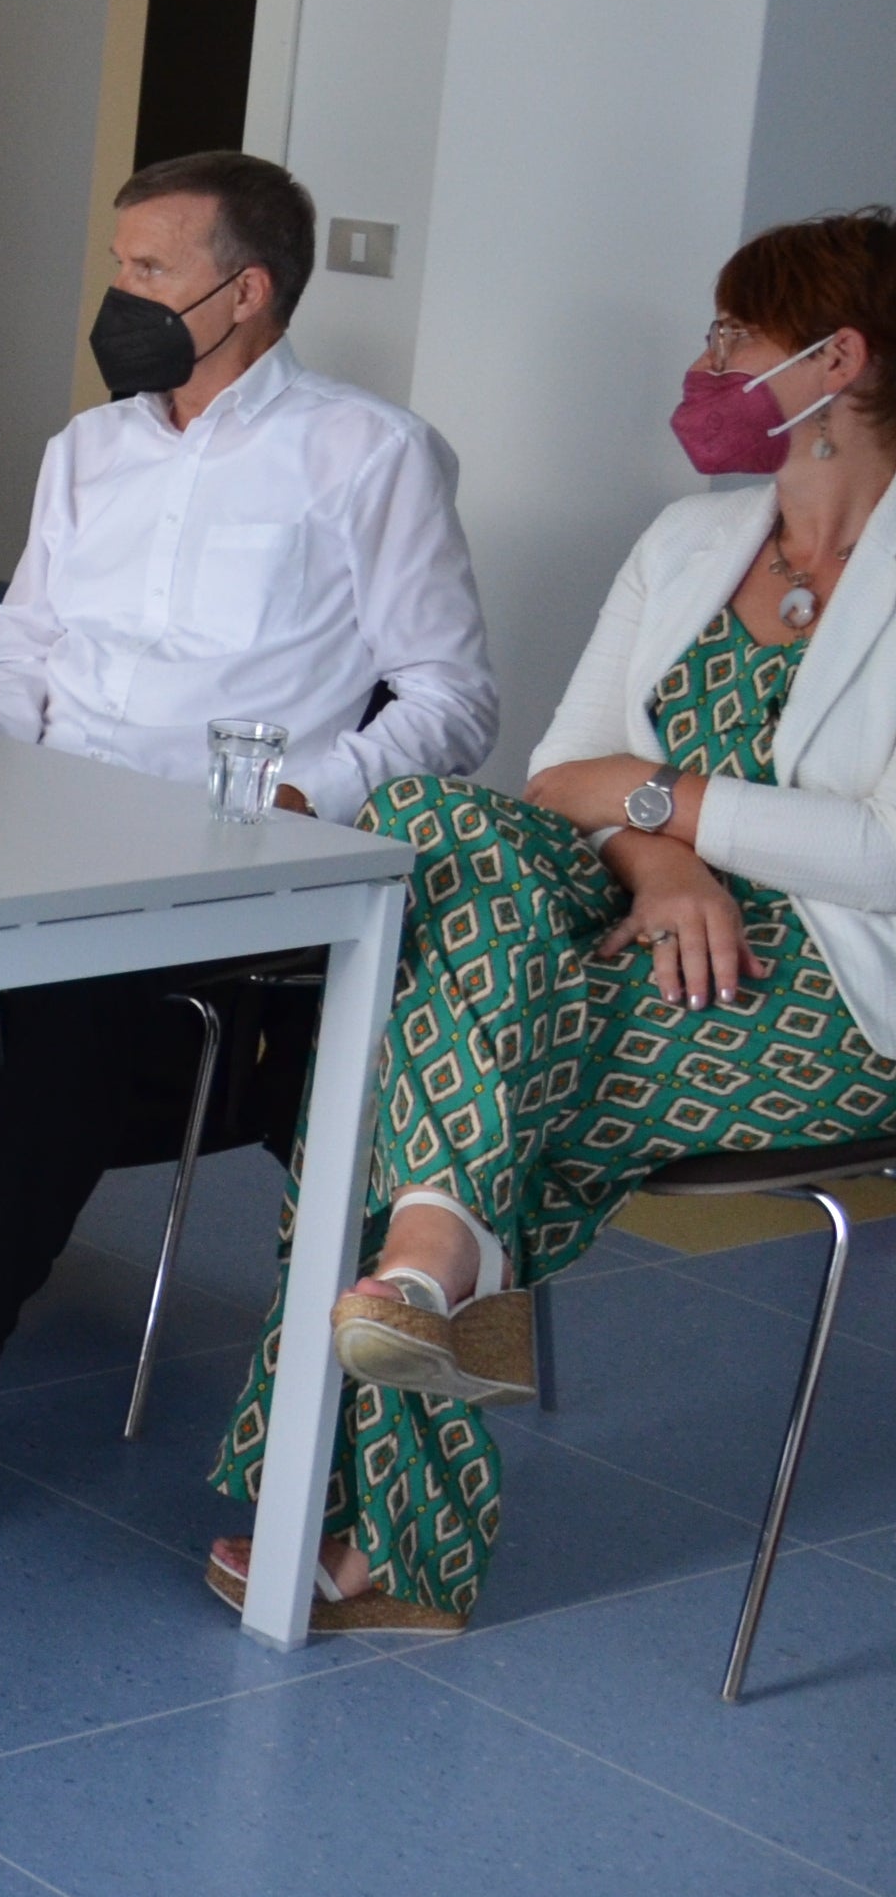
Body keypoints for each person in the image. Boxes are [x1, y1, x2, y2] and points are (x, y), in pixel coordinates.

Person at [205, 210, 896, 1632]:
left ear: (837, 360)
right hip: (630, 930)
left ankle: (419, 1310)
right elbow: (553, 776)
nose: (706, 364)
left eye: (733, 338)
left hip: (824, 987)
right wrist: (668, 865)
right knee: (437, 817)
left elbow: (879, 857)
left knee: (397, 1071)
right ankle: (432, 1287)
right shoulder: (694, 537)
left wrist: (664, 809)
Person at [0, 151, 494, 1554]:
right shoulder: (90, 448)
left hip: (218, 856)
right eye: (116, 266)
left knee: (70, 1019)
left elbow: (452, 699)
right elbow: (23, 644)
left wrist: (313, 792)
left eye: (147, 273)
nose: (115, 298)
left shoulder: (369, 454)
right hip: (32, 817)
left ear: (246, 294)